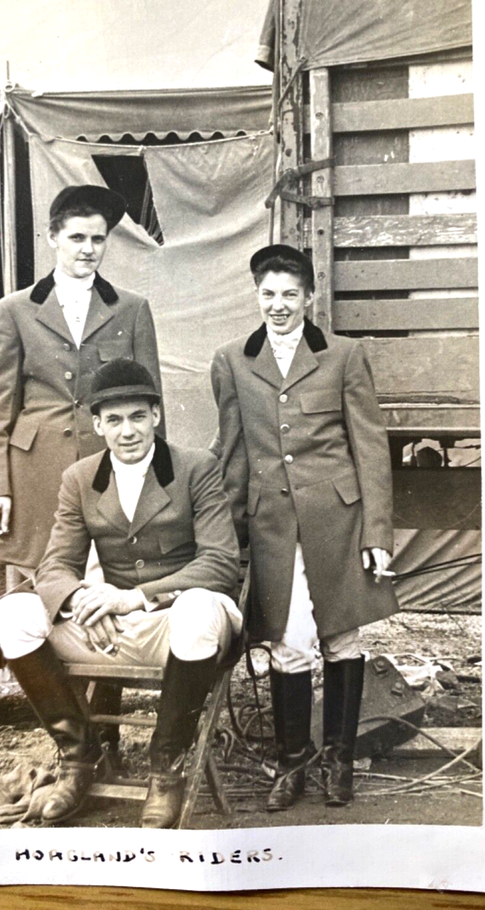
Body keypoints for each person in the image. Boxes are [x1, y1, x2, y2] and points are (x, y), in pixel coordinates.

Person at [0, 359, 242, 829]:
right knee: (13, 612)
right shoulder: (81, 478)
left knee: (201, 606)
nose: (128, 431)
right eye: (114, 420)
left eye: (138, 417)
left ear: (156, 416)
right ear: (98, 424)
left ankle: (165, 774)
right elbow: (55, 566)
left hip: (177, 624)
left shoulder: (195, 468)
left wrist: (132, 597)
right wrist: (78, 602)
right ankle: (80, 760)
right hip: (109, 629)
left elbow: (220, 563)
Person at [211, 244, 398, 811]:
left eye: (290, 294)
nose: (278, 305)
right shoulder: (231, 361)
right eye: (267, 294)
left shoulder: (344, 356)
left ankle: (339, 765)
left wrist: (377, 536)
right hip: (272, 525)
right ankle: (292, 763)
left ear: (310, 297)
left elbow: (370, 448)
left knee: (342, 635)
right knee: (288, 640)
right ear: (255, 296)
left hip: (338, 521)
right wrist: (227, 537)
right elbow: (234, 455)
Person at [0, 184, 163, 572]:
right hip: (35, 471)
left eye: (98, 239)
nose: (88, 248)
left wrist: (159, 482)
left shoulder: (131, 309)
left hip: (109, 464)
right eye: (77, 237)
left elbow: (151, 404)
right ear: (53, 237)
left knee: (112, 575)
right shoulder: (15, 310)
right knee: (38, 579)